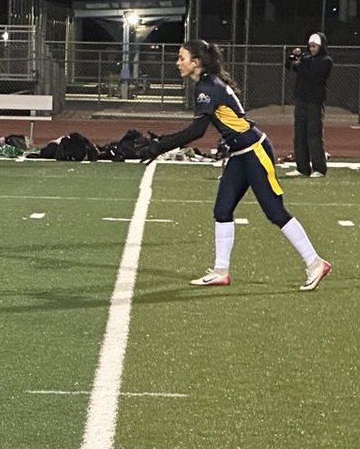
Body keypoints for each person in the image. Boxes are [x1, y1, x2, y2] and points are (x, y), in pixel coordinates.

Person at [138, 39, 331, 292]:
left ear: (195, 62)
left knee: (275, 211)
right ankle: (221, 270)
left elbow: (197, 131)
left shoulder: (207, 86)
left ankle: (315, 263)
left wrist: (160, 145)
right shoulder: (207, 84)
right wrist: (161, 144)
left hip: (254, 151)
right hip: (240, 154)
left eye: (181, 57)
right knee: (222, 209)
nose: (178, 62)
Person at [285, 31, 333, 178]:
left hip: (314, 102)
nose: (311, 49)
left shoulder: (326, 61)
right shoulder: (306, 59)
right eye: (310, 46)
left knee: (314, 136)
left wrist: (299, 65)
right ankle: (302, 168)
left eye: (314, 46)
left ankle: (319, 168)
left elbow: (313, 75)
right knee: (299, 136)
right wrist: (293, 55)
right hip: (301, 101)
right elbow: (289, 65)